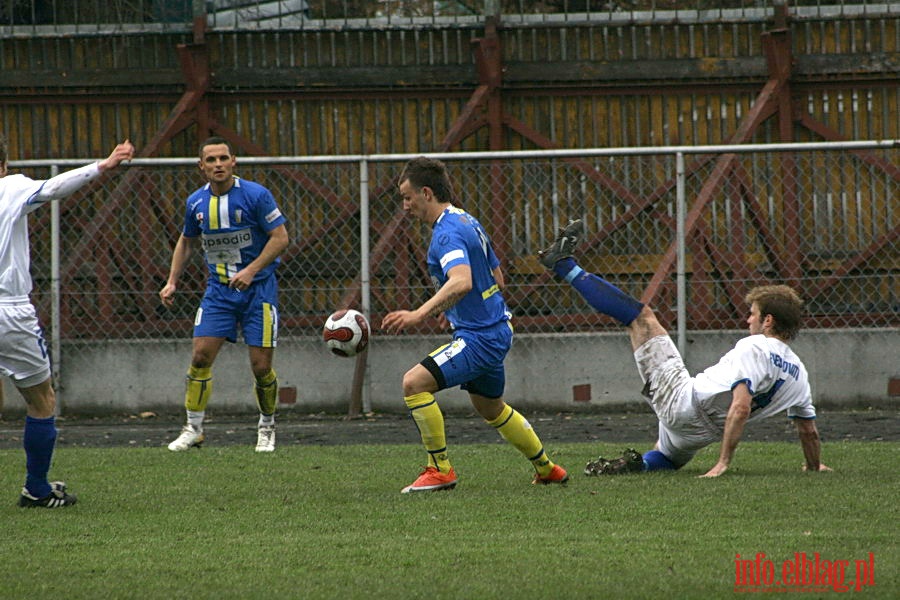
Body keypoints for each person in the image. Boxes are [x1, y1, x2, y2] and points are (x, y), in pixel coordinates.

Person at [538, 219, 832, 477]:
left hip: (683, 401)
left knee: (641, 318)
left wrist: (723, 463)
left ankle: (564, 264)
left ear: (768, 321)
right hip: (700, 434)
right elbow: (808, 430)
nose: (748, 319)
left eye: (753, 314)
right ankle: (639, 466)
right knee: (667, 458)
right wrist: (814, 465)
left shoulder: (755, 346)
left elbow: (741, 407)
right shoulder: (799, 373)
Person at [381, 156, 568, 493]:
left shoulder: (445, 234)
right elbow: (495, 276)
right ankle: (547, 468)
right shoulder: (466, 220)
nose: (405, 206)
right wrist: (454, 308)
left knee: (413, 384)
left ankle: (440, 470)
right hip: (495, 329)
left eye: (408, 197)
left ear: (426, 193)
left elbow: (462, 281)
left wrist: (418, 314)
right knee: (491, 407)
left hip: (480, 337)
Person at [1, 134, 134, 507]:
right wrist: (102, 166)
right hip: (9, 311)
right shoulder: (10, 187)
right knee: (41, 400)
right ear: (4, 165)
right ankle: (36, 488)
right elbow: (54, 187)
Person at [160, 136, 289, 453]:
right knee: (200, 356)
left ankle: (267, 426)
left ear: (234, 161)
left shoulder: (256, 196)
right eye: (211, 160)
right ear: (201, 166)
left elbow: (280, 237)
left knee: (261, 367)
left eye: (223, 158)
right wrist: (172, 280)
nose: (218, 164)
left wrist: (251, 270)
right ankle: (193, 428)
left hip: (259, 292)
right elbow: (187, 241)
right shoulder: (195, 203)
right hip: (218, 293)